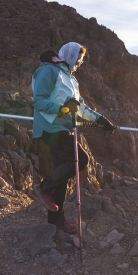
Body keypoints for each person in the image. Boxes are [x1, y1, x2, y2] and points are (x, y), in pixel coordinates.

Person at [31, 42, 115, 233]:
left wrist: (101, 119)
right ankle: (44, 188)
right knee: (80, 161)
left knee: (63, 174)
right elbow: (39, 101)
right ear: (69, 55)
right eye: (78, 58)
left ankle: (56, 220)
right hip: (51, 127)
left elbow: (80, 107)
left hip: (64, 127)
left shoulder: (71, 79)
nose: (80, 63)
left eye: (81, 60)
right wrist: (63, 109)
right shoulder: (48, 71)